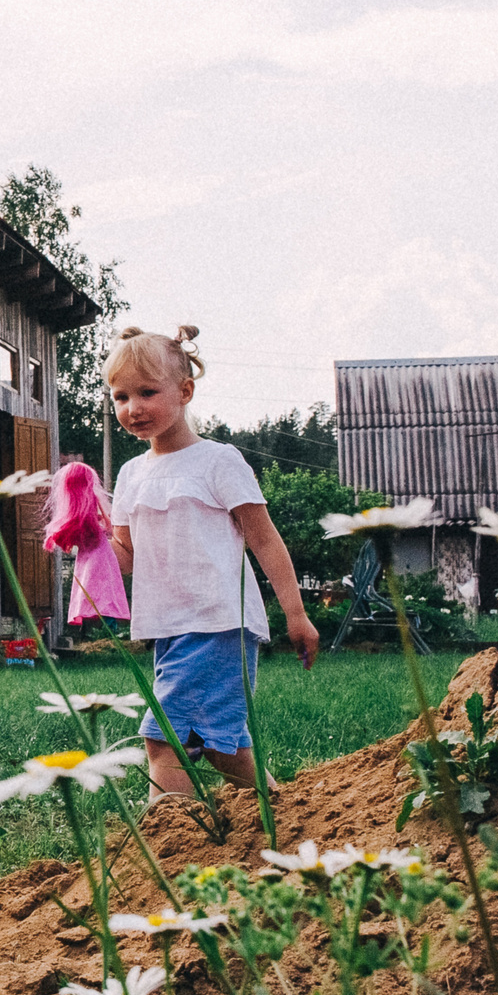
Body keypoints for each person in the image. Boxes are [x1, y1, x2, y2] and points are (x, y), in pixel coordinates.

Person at [105, 324, 318, 797]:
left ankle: (166, 854)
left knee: (164, 741)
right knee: (224, 749)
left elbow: (265, 541)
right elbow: (127, 559)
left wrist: (296, 614)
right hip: (168, 628)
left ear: (185, 391)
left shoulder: (218, 461)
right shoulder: (130, 475)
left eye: (146, 392)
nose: (132, 408)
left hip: (218, 622)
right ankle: (282, 814)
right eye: (120, 397)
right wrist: (89, 537)